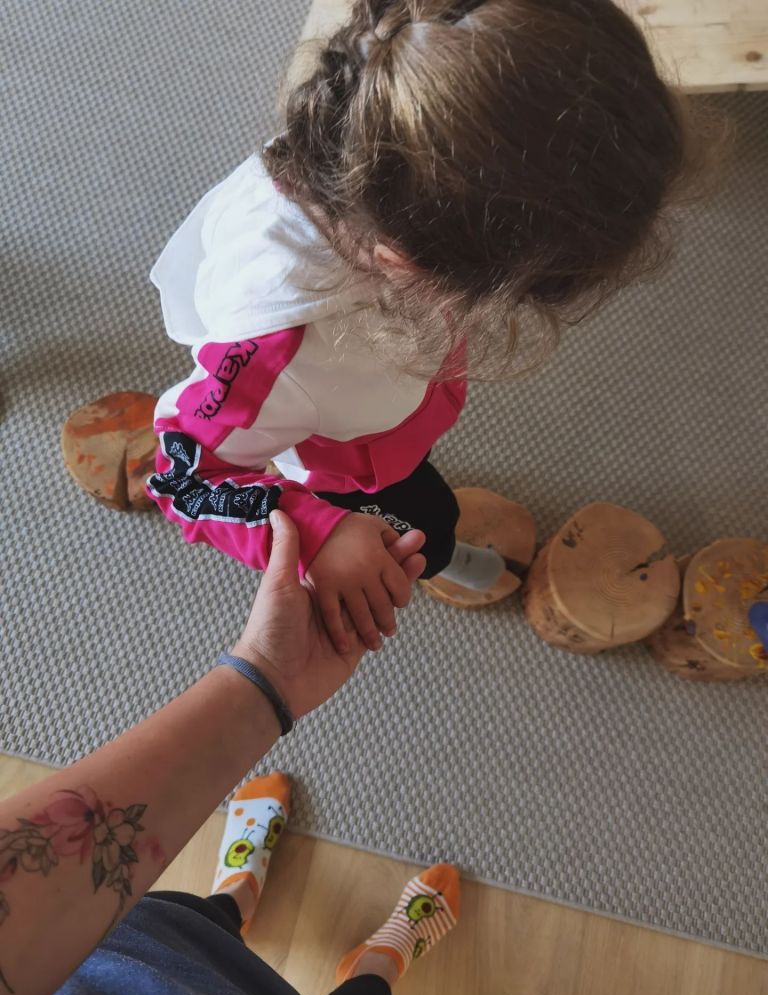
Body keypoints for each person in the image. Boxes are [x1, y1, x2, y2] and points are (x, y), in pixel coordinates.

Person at [146, 0, 711, 652]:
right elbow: (182, 476)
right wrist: (320, 533)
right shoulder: (280, 353)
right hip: (345, 464)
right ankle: (447, 560)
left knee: (422, 482)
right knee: (425, 523)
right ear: (408, 266)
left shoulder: (378, 133)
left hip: (386, 403)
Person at [0, 512, 459, 995]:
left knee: (197, 926)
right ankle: (380, 962)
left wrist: (265, 679)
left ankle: (236, 891)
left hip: (135, 958)